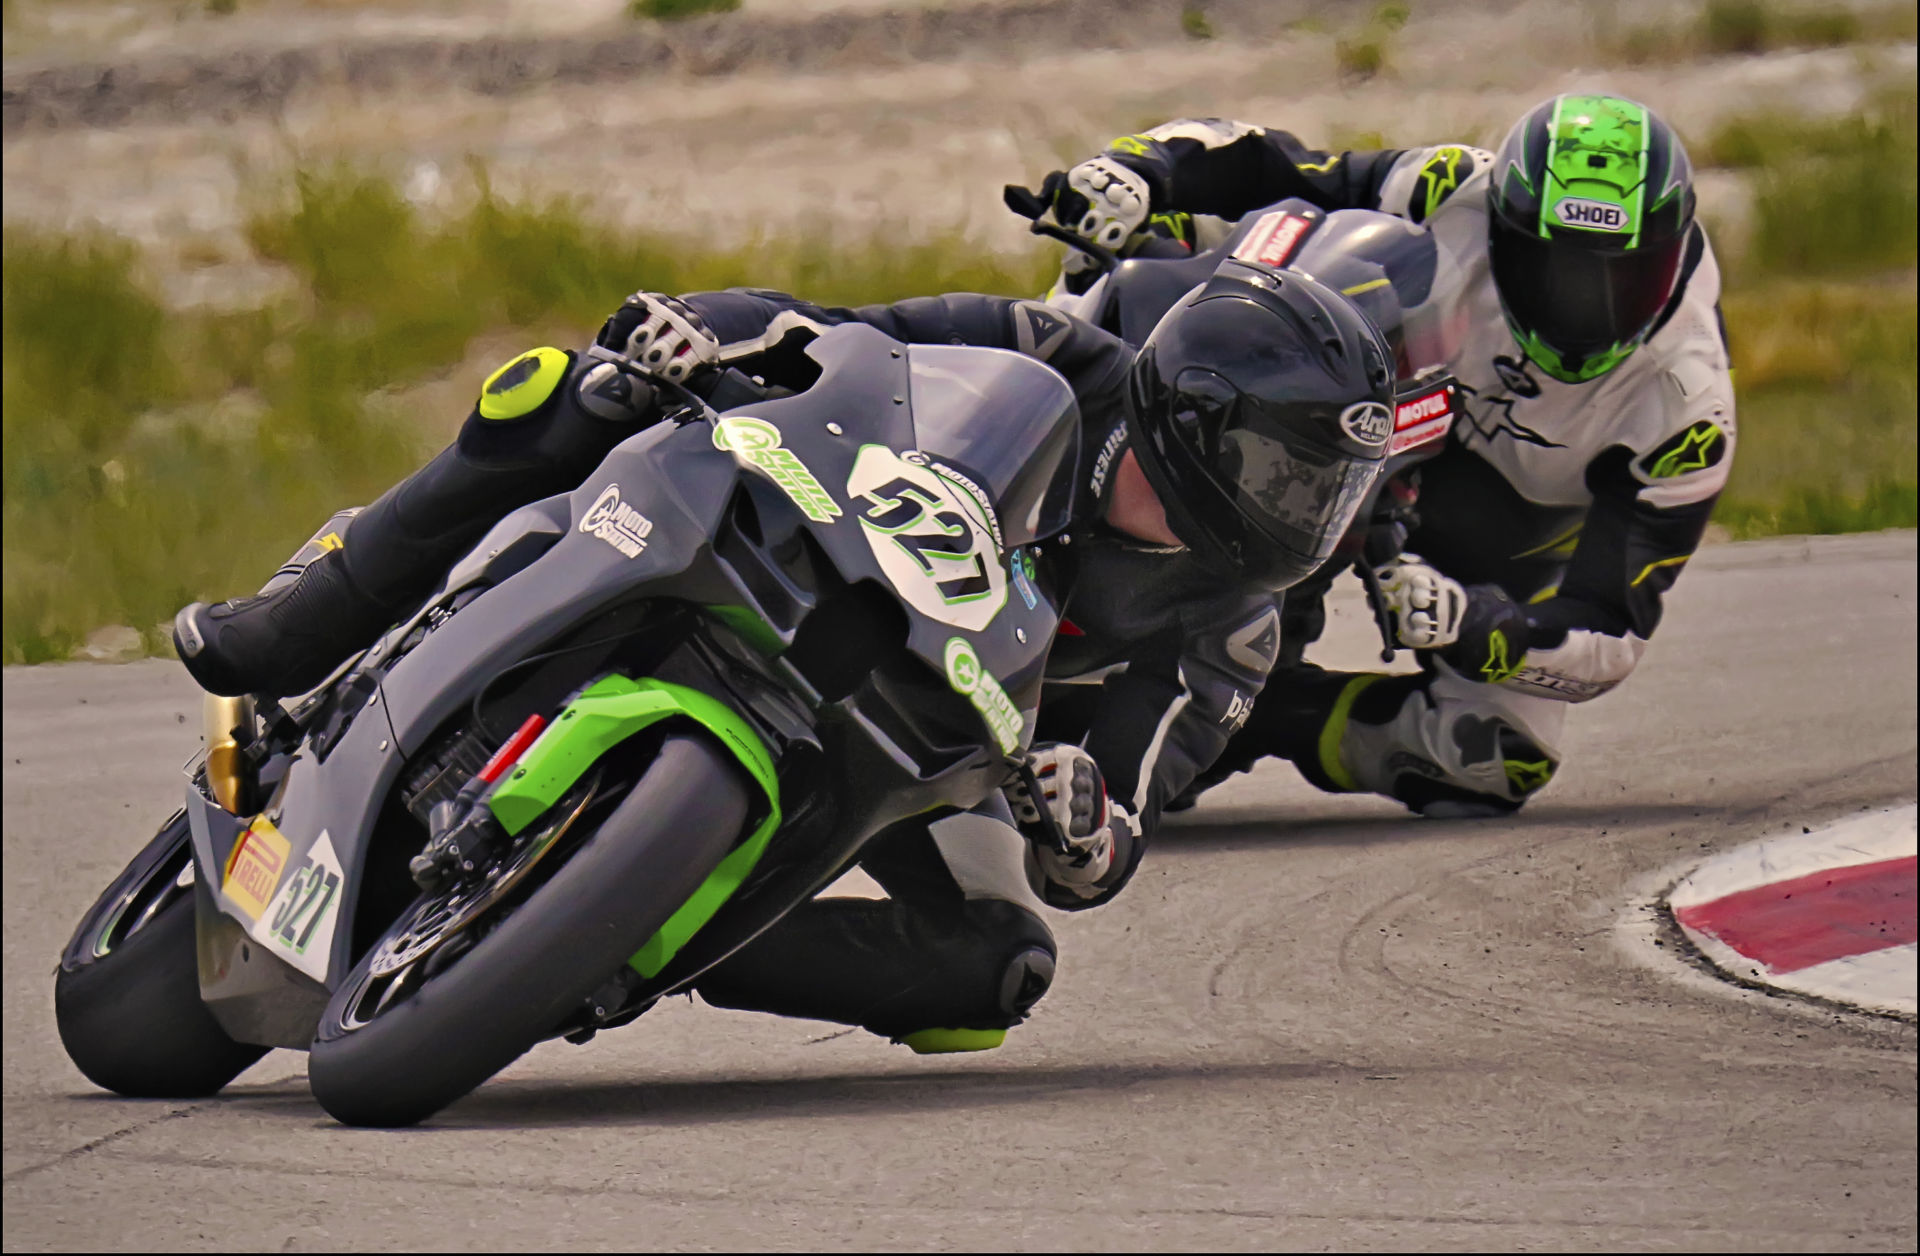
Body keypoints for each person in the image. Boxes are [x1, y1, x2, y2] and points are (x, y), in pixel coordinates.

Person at [173, 261, 1399, 1049]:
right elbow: (845, 336)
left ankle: (612, 933)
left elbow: (1125, 811)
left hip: (945, 736)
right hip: (815, 548)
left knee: (998, 969)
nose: (1300, 512)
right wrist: (693, 337)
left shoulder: (1234, 623)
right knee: (568, 389)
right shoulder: (1058, 356)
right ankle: (301, 619)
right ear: (1196, 414)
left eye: (1325, 488)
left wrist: (1084, 822)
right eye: (1286, 469)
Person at [1032, 94, 1736, 817]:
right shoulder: (1457, 190)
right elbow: (1279, 165)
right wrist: (1141, 171)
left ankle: (1255, 710)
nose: (1582, 307)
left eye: (1620, 278)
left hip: (1492, 536)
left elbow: (1611, 632)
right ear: (1505, 222)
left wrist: (1479, 624)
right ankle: (1077, 369)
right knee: (1275, 243)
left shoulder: (1688, 408)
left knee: (1495, 754)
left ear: (1674, 252)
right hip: (1351, 429)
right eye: (1552, 266)